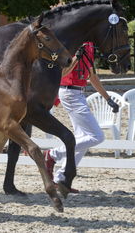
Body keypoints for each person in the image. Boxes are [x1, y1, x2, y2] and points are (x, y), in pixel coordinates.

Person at [44, 42, 119, 193]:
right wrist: (76, 59)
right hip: (69, 92)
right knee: (97, 137)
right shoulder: (73, 44)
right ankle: (52, 154)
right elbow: (62, 73)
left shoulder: (89, 46)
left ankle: (62, 178)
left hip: (79, 93)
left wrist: (108, 98)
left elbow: (92, 76)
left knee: (83, 138)